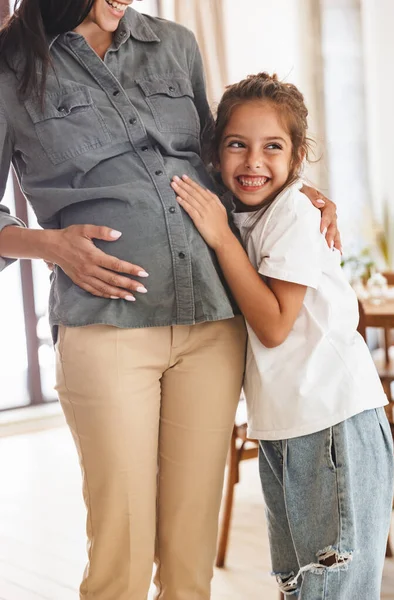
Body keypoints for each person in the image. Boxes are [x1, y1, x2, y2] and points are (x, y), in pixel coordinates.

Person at [0, 0, 339, 596]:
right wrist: (52, 245)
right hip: (106, 329)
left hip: (212, 320)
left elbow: (224, 163)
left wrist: (298, 194)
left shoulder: (176, 44)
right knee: (121, 552)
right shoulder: (9, 64)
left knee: (191, 557)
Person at [171, 72, 394, 599]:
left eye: (273, 147)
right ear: (214, 154)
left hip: (332, 426)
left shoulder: (291, 212)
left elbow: (273, 326)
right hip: (289, 428)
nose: (253, 162)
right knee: (301, 588)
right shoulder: (247, 212)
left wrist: (221, 239)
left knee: (330, 592)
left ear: (296, 159)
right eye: (237, 145)